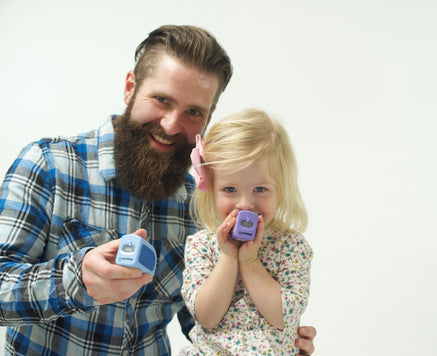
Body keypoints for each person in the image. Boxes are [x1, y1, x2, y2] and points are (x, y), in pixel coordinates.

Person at [0, 25, 316, 355]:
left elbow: (204, 321)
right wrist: (76, 279)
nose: (171, 125)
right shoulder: (50, 165)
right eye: (161, 99)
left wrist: (270, 338)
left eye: (194, 111)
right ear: (130, 88)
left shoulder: (198, 204)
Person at [180, 108, 312, 355]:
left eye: (260, 189)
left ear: (281, 189)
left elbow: (284, 316)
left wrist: (250, 262)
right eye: (230, 189)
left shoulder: (291, 247)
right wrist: (228, 257)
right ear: (211, 189)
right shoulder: (201, 245)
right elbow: (206, 317)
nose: (244, 204)